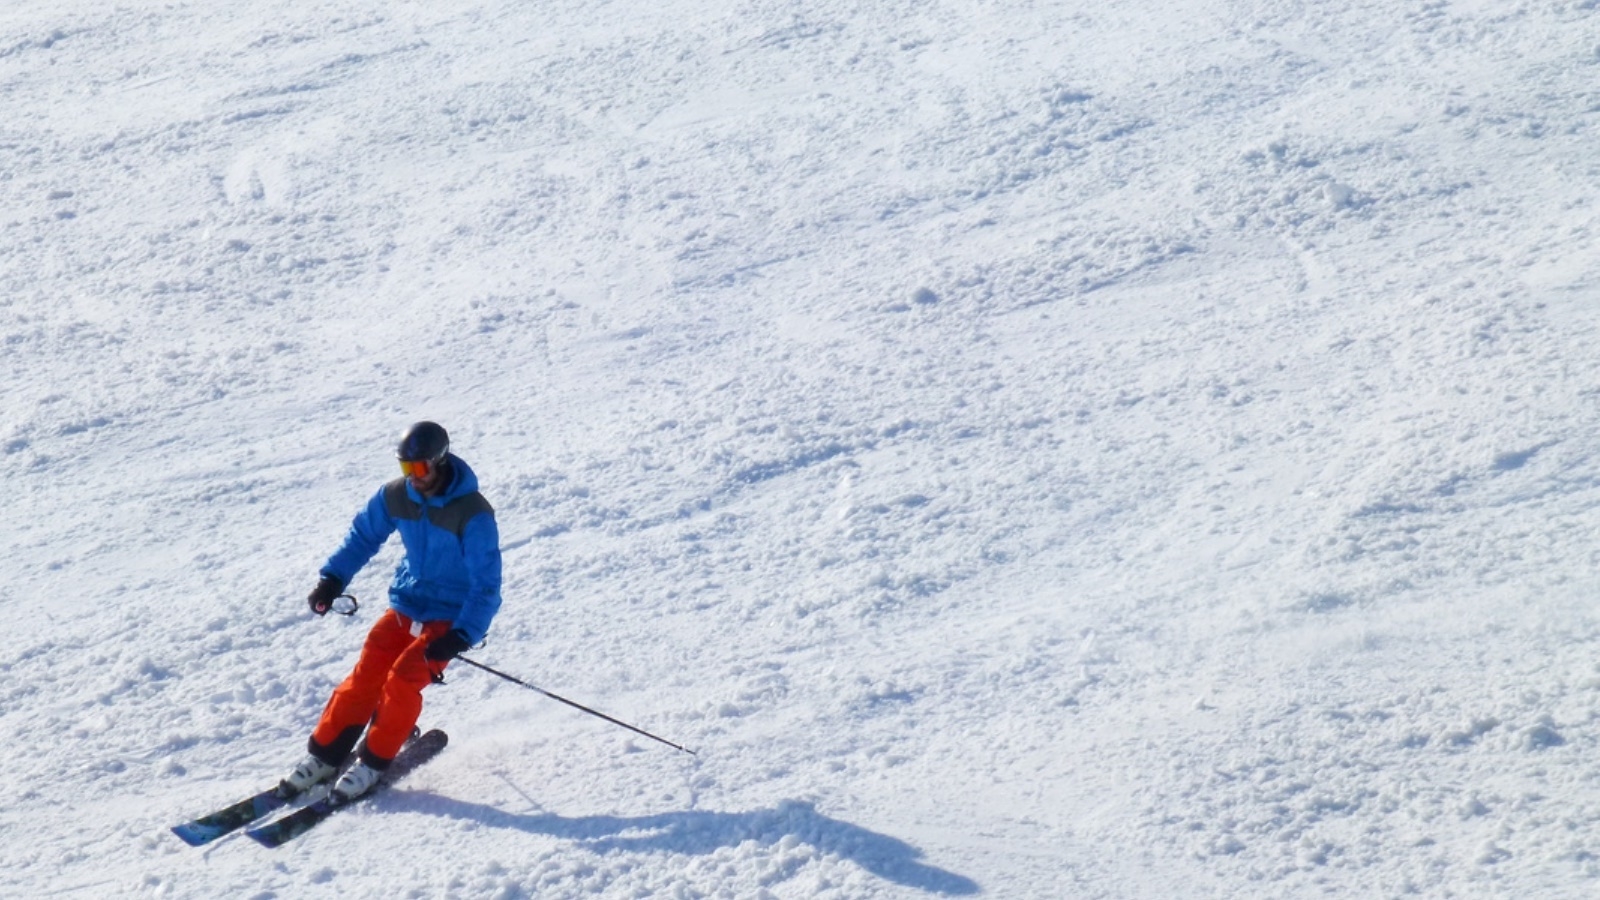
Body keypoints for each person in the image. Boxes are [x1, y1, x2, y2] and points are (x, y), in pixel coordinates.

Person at [280, 421, 502, 801]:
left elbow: (487, 586)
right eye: (405, 468)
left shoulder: (473, 514)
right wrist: (332, 580)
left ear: (440, 462)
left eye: (419, 469)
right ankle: (323, 757)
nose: (413, 478)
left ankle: (373, 761)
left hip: (448, 617)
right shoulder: (396, 497)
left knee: (402, 680)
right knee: (367, 673)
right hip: (407, 604)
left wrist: (463, 634)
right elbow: (363, 537)